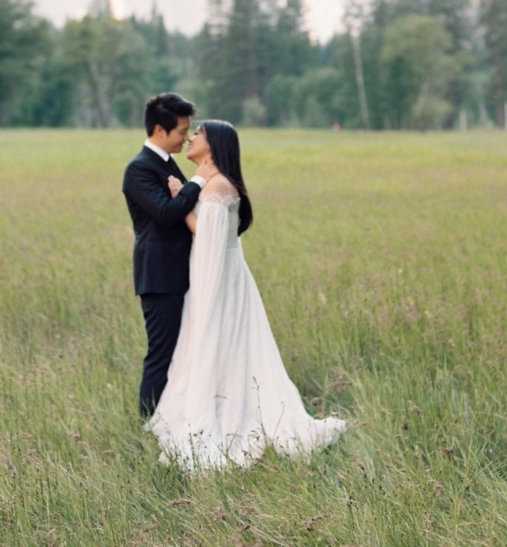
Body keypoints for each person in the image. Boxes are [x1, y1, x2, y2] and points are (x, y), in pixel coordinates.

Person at [145, 120, 346, 472]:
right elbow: (208, 234)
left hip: (220, 284)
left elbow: (208, 244)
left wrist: (180, 200)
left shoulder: (219, 186)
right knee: (227, 348)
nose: (191, 138)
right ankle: (222, 404)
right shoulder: (213, 184)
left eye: (199, 134)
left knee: (223, 345)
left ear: (213, 145)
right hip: (223, 278)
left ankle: (224, 416)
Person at [122, 93, 217, 419]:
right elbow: (165, 213)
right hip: (159, 276)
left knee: (181, 353)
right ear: (160, 130)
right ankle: (148, 424)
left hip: (181, 272)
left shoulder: (165, 162)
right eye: (181, 132)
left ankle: (173, 418)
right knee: (161, 354)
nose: (187, 138)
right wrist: (200, 179)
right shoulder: (139, 169)